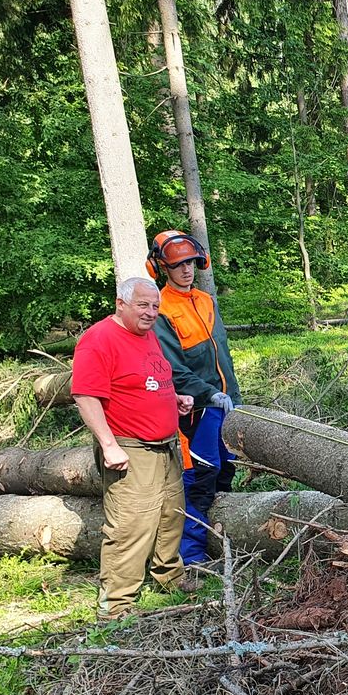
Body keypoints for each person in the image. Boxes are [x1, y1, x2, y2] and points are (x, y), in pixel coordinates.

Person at [72, 277, 196, 621]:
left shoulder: (148, 335)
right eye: (143, 305)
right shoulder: (98, 340)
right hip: (131, 447)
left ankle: (169, 577)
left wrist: (175, 399)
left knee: (172, 515)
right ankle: (117, 606)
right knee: (131, 525)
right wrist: (109, 446)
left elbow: (147, 381)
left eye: (155, 306)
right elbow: (85, 396)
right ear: (121, 303)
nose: (151, 312)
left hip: (166, 446)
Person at [147, 230, 241, 567]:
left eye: (190, 262)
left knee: (228, 470)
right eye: (178, 265)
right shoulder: (162, 310)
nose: (187, 270)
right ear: (162, 268)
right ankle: (192, 555)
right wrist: (208, 393)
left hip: (229, 401)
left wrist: (231, 391)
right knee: (201, 476)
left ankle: (227, 538)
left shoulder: (205, 300)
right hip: (198, 409)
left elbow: (222, 356)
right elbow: (172, 367)